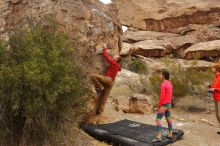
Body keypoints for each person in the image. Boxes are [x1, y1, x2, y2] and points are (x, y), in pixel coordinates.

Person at [91, 43, 121, 115]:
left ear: (116, 59)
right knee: (104, 97)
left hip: (107, 79)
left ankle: (100, 86)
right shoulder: (118, 65)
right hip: (111, 82)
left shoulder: (114, 63)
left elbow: (106, 56)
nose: (114, 56)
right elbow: (119, 69)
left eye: (115, 56)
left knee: (92, 76)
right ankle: (100, 111)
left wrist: (105, 48)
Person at [152, 70, 173, 142]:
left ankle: (159, 136)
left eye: (161, 74)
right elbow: (169, 95)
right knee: (168, 118)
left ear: (163, 76)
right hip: (169, 105)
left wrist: (158, 106)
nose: (160, 75)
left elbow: (162, 97)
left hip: (164, 105)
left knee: (158, 119)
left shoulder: (163, 84)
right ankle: (170, 133)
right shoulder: (170, 83)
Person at [209, 62, 220, 134]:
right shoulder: (216, 78)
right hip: (215, 98)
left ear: (217, 69)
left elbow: (217, 88)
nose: (212, 69)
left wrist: (215, 89)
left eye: (213, 68)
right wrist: (210, 87)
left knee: (219, 115)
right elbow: (215, 86)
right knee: (217, 115)